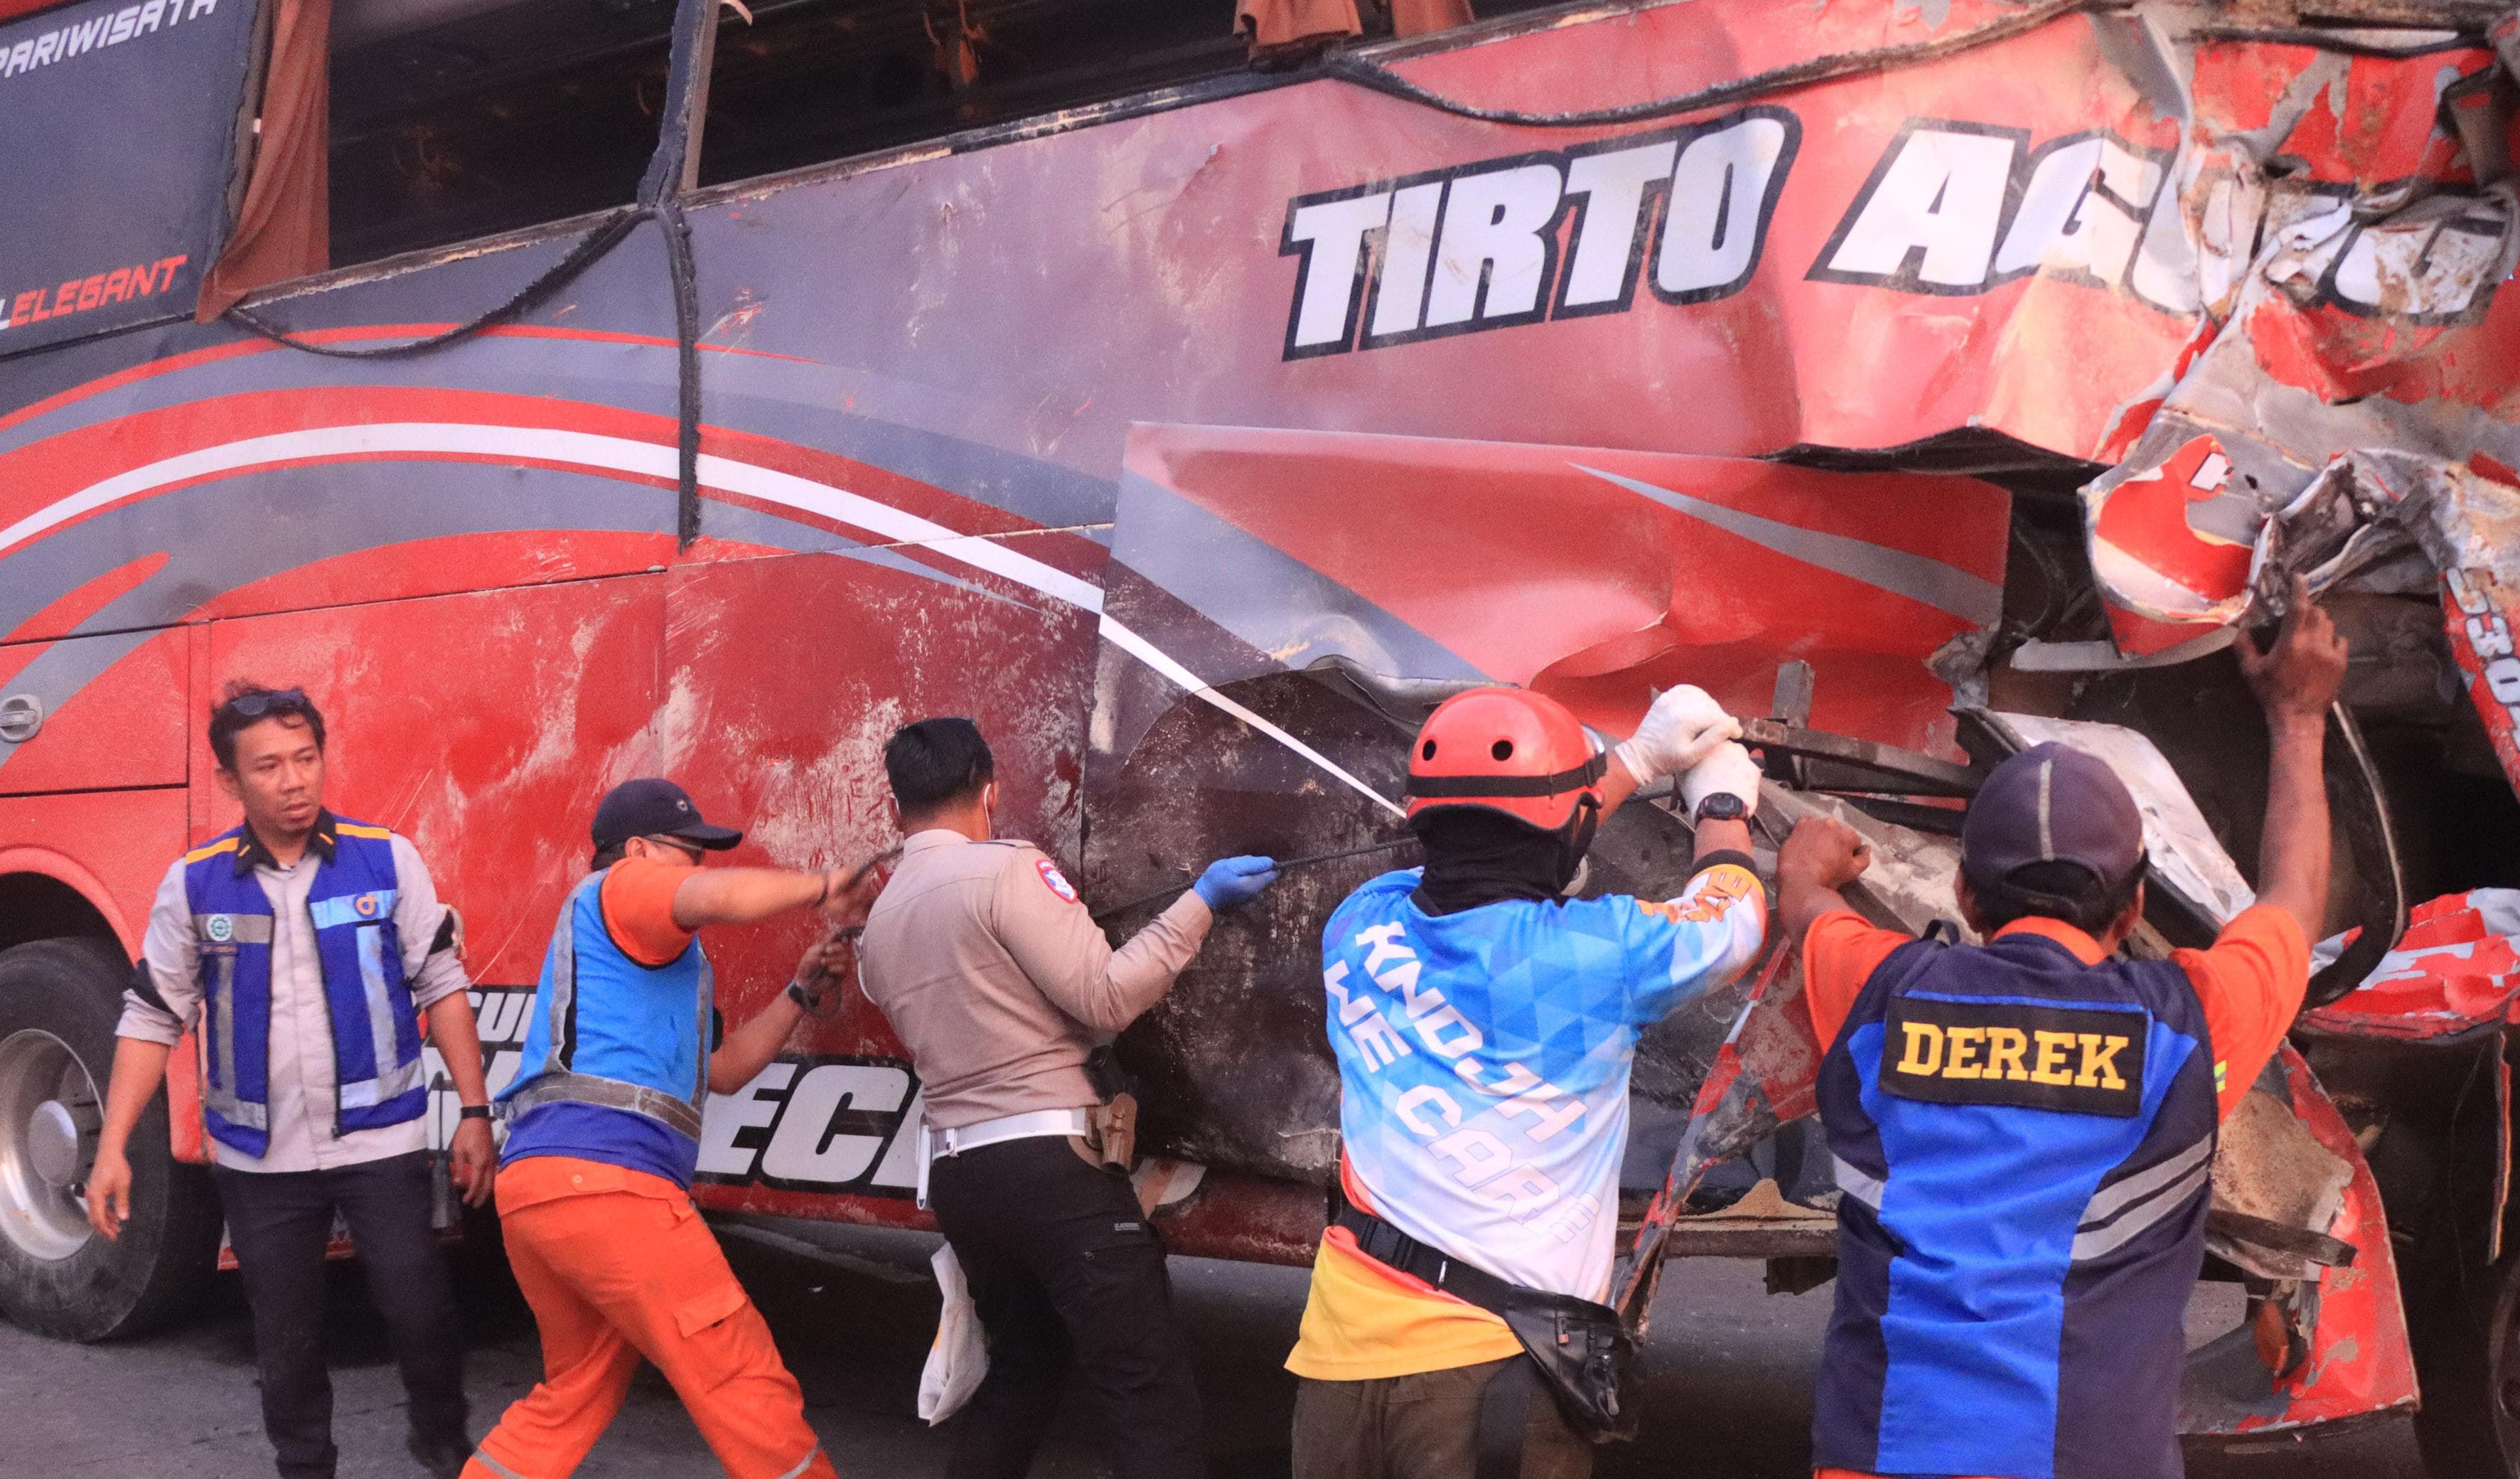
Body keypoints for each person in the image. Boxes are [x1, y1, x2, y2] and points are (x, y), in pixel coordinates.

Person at [1776, 592, 2348, 1479]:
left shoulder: (1881, 995)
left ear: (1966, 896)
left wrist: (1810, 866)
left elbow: (1804, 907)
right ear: (2135, 908)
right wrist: (2299, 716)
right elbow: (2291, 902)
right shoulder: (2188, 1028)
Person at [1287, 683, 1768, 1479]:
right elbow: (1733, 912)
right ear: (1574, 823)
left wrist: (1634, 760)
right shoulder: (1601, 956)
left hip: (1335, 1361)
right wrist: (1718, 798)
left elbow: (1505, 838)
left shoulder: (1359, 926)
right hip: (1496, 1380)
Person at [88, 683, 492, 1479]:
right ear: (232, 782)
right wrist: (112, 1148)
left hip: (381, 1138)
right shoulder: (196, 884)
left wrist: (473, 1111)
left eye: (306, 758)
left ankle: (444, 1439)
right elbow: (151, 1017)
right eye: (268, 765)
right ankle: (305, 1467)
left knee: (419, 1306)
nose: (295, 780)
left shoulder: (386, 858)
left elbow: (440, 982)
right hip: (260, 1158)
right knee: (287, 1335)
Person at [856, 716, 1276, 1479]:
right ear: (989, 790)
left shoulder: (878, 924)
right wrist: (1200, 903)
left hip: (960, 1175)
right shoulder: (1007, 871)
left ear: (896, 809)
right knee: (1147, 1390)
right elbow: (1105, 997)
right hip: (1052, 1169)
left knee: (1021, 1372)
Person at [463, 777, 873, 1479]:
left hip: (543, 1189)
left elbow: (723, 1070)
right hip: (610, 1188)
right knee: (741, 1375)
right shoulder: (621, 889)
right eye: (689, 854)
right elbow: (705, 900)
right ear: (637, 851)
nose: (698, 873)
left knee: (571, 1393)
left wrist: (800, 991)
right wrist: (822, 885)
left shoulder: (657, 958)